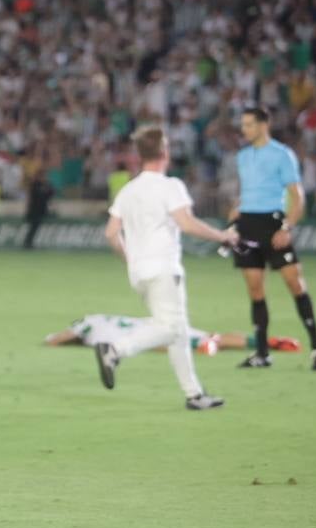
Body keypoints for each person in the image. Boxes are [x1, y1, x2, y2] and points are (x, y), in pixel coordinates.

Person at [94, 127, 238, 410]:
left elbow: (111, 233)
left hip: (139, 272)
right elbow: (186, 223)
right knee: (170, 327)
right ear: (165, 152)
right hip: (163, 268)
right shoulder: (170, 186)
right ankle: (115, 350)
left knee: (178, 332)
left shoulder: (129, 189)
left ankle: (194, 394)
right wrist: (223, 236)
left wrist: (129, 259)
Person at [230, 106, 316, 371]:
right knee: (255, 290)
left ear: (264, 125)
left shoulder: (282, 155)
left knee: (295, 285)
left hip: (272, 224)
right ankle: (262, 354)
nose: (244, 130)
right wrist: (235, 214)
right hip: (247, 225)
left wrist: (287, 228)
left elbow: (298, 196)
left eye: (249, 124)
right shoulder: (242, 156)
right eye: (243, 125)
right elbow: (247, 191)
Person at [43, 314, 300, 356]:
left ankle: (198, 348)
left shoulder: (91, 329)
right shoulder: (102, 318)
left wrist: (52, 341)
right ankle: (269, 341)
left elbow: (56, 340)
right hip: (154, 320)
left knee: (151, 343)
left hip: (145, 332)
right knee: (216, 336)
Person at [23, 170, 53, 249]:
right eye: (43, 177)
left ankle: (29, 242)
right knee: (33, 227)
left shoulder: (46, 185)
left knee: (35, 227)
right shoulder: (35, 185)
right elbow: (38, 196)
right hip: (34, 210)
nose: (45, 178)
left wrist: (46, 187)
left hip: (42, 210)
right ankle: (28, 243)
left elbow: (51, 193)